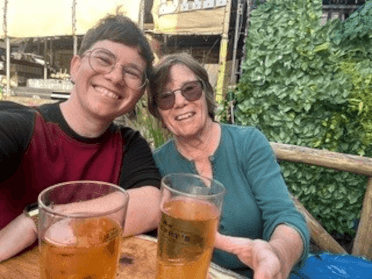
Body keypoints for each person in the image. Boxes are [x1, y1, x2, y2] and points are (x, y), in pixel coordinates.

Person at [0, 14, 162, 262]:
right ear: (75, 67)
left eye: (131, 72)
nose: (116, 77)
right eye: (103, 59)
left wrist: (37, 220)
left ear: (139, 93)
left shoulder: (128, 144)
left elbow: (150, 205)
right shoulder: (23, 128)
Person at [148, 52, 310, 279]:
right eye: (166, 97)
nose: (180, 102)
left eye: (190, 89)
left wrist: (276, 255)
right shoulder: (156, 164)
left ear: (206, 92)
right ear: (158, 112)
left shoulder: (247, 143)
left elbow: (285, 216)